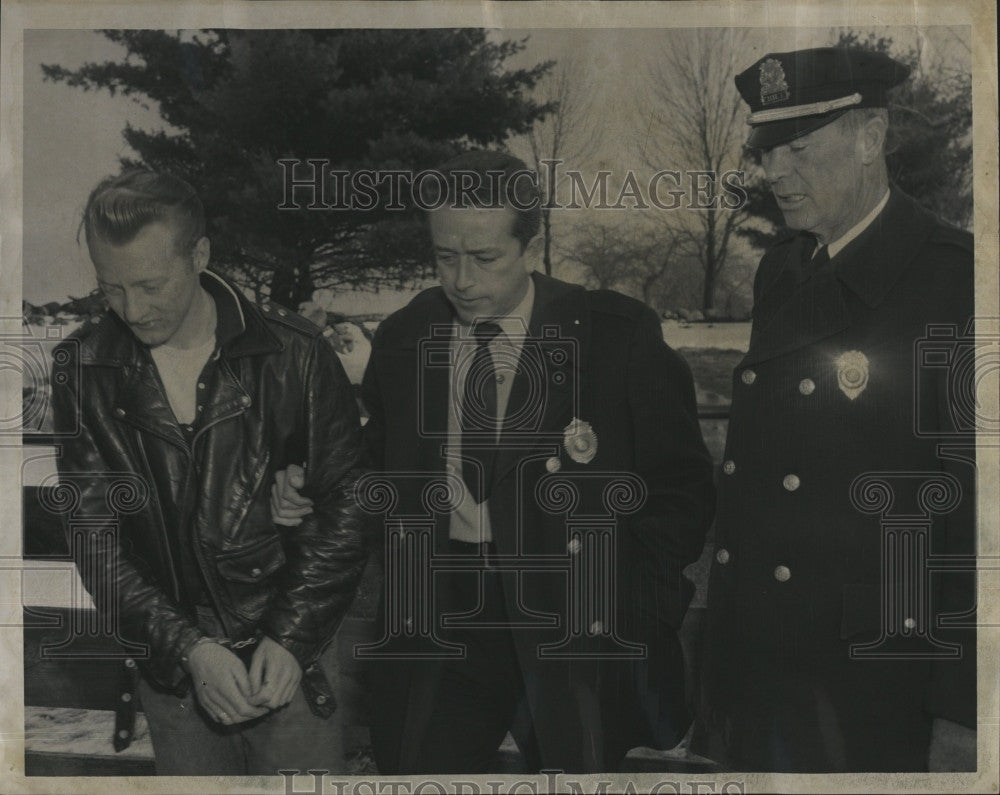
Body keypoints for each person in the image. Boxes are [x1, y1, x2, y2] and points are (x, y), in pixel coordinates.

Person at [273, 150, 716, 773]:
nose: (462, 280)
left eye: (484, 258)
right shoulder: (406, 335)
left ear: (529, 246)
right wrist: (311, 486)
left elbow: (683, 491)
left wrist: (637, 609)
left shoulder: (616, 337)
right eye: (444, 256)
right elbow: (373, 470)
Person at [690, 47, 977, 772]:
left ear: (870, 138)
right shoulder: (783, 268)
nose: (774, 173)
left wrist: (965, 710)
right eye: (766, 151)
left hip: (877, 687)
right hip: (762, 676)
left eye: (798, 148)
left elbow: (978, 519)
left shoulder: (957, 280)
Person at [50, 170, 367, 775]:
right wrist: (188, 650)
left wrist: (290, 639)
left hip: (294, 666)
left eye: (149, 285)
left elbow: (346, 510)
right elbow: (95, 538)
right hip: (176, 678)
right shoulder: (83, 367)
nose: (132, 310)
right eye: (110, 288)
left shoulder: (295, 353)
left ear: (199, 255)